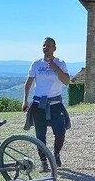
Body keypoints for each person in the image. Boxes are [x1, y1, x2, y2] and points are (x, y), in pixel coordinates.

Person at [22, 37, 71, 170]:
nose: (46, 47)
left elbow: (66, 81)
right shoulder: (36, 64)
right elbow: (28, 83)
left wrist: (55, 68)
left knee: (60, 132)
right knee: (40, 135)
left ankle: (55, 154)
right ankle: (43, 162)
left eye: (49, 45)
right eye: (44, 45)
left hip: (55, 103)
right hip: (39, 104)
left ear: (54, 48)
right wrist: (25, 100)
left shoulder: (60, 63)